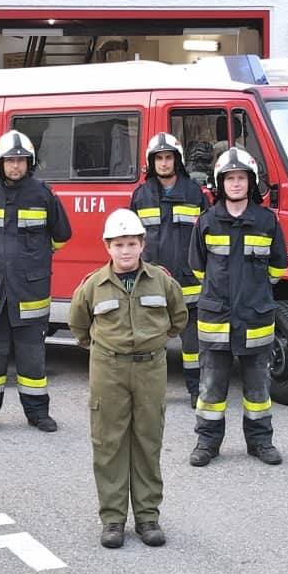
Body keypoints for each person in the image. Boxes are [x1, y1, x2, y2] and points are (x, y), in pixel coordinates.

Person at [69, 209, 189, 549]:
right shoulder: (93, 285)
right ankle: (113, 519)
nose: (125, 250)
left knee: (148, 440)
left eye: (132, 243)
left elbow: (178, 316)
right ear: (107, 246)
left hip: (151, 368)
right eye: (119, 244)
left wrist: (154, 341)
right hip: (108, 369)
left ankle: (148, 517)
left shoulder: (161, 281)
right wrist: (104, 349)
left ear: (142, 244)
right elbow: (79, 325)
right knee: (109, 443)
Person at [0, 131, 72, 433]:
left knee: (32, 359)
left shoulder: (42, 194)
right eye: (10, 161)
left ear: (29, 163)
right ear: (0, 163)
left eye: (21, 160)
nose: (15, 166)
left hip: (30, 291)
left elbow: (62, 234)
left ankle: (38, 414)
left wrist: (39, 255)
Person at [189, 147, 288, 467]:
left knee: (258, 388)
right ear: (220, 183)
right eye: (230, 178)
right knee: (211, 388)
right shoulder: (206, 221)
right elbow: (198, 268)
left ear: (252, 182)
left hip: (255, 318)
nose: (235, 183)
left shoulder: (267, 221)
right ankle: (207, 443)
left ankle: (260, 442)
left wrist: (254, 293)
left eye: (241, 178)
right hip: (216, 319)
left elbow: (278, 267)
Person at [128, 132, 210, 403]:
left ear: (178, 160)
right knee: (152, 342)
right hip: (151, 282)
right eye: (159, 158)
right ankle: (151, 393)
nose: (164, 163)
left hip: (189, 284)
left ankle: (197, 391)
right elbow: (131, 240)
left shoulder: (194, 194)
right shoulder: (141, 195)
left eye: (168, 158)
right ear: (151, 162)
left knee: (192, 344)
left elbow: (208, 237)